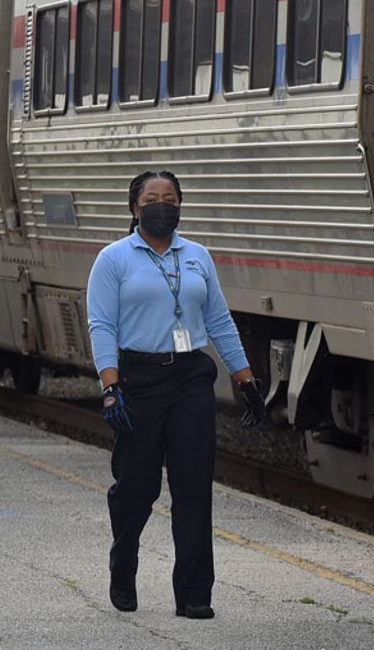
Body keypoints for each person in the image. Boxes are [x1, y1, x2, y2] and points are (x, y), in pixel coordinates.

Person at [86, 170, 267, 619]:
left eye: (169, 198)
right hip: (136, 381)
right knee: (137, 487)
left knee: (192, 486)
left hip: (190, 379)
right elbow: (102, 326)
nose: (161, 204)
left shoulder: (198, 256)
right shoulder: (114, 260)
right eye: (152, 198)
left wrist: (245, 380)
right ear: (135, 208)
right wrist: (110, 386)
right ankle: (123, 563)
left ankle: (193, 593)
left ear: (180, 205)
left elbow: (220, 321)